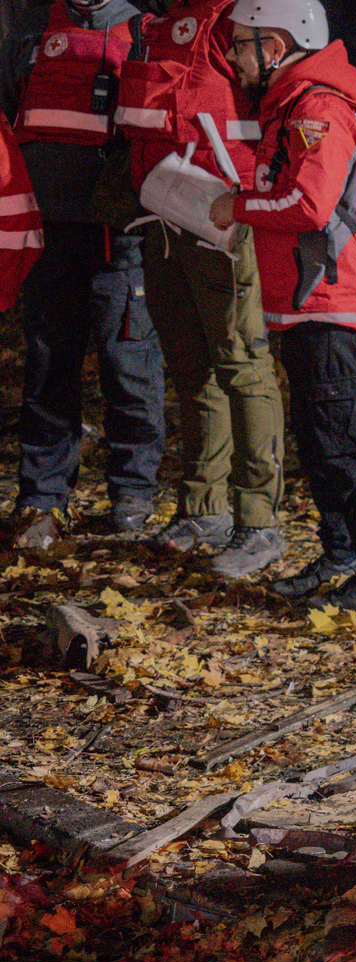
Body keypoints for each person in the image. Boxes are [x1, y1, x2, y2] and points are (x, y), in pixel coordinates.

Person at [208, 0, 356, 609]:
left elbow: (311, 208)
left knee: (346, 444)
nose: (235, 59)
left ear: (276, 46)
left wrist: (236, 207)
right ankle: (341, 553)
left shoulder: (318, 110)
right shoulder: (292, 109)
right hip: (303, 307)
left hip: (331, 307)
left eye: (243, 45)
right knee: (318, 441)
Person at [116, 0, 287, 577]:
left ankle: (259, 522)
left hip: (220, 218)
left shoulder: (234, 19)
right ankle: (204, 506)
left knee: (240, 362)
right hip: (163, 215)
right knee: (191, 366)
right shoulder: (156, 26)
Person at [2, 0, 165, 551]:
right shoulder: (29, 29)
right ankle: (43, 495)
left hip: (117, 231)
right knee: (50, 365)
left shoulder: (143, 27)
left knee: (131, 366)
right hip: (48, 228)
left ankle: (133, 493)